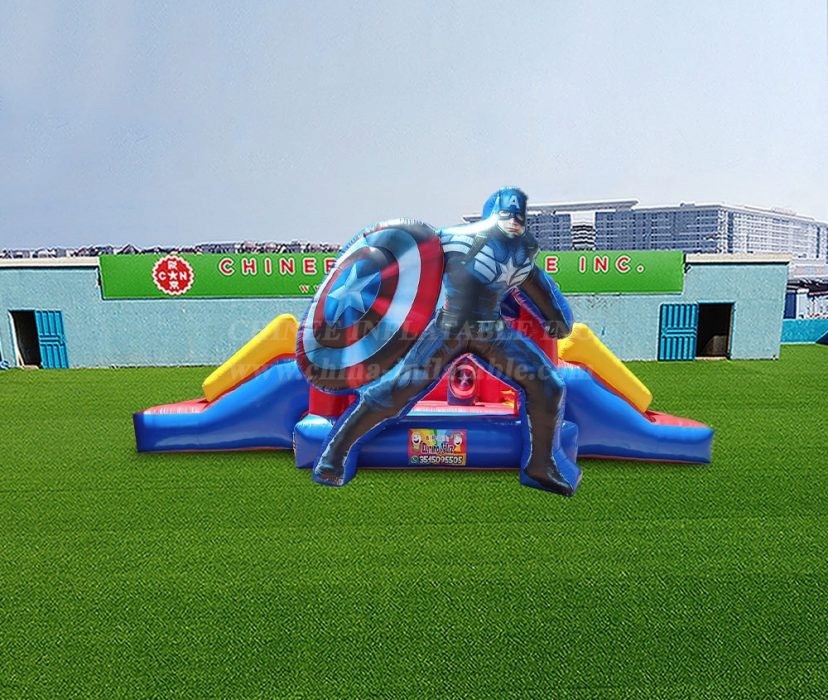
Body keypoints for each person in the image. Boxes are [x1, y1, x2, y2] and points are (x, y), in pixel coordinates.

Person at [313, 187, 580, 496]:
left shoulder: (521, 254)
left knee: (548, 385)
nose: (514, 221)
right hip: (448, 329)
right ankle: (334, 454)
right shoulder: (452, 240)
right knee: (397, 389)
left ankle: (540, 465)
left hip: (491, 331)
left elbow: (542, 294)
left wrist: (556, 320)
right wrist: (365, 296)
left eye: (519, 215)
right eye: (508, 214)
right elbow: (400, 259)